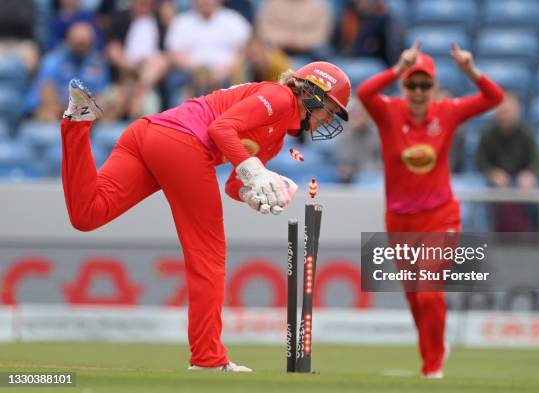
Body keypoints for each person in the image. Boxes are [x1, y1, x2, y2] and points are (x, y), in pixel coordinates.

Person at [59, 61, 351, 371]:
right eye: (330, 109)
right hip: (182, 143)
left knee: (88, 213)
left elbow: (234, 185)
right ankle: (208, 359)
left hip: (148, 134)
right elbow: (220, 128)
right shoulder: (278, 97)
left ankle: (77, 122)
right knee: (208, 257)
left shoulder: (276, 139)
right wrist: (254, 170)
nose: (328, 119)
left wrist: (259, 194)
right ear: (312, 95)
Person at [357, 40, 503, 378]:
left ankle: (432, 367)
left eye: (425, 84)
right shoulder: (389, 112)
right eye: (411, 83)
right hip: (399, 219)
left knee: (427, 291)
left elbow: (494, 99)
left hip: (440, 214)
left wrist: (470, 71)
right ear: (403, 85)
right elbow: (365, 93)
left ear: (434, 87)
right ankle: (435, 347)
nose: (418, 91)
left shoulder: (447, 112)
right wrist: (396, 68)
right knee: (414, 297)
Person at [476, 91, 539, 231]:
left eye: (509, 111)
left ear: (517, 112)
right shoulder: (487, 134)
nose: (505, 115)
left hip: (521, 180)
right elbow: (480, 162)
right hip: (496, 181)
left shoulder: (527, 133)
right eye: (502, 111)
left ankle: (531, 235)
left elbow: (536, 161)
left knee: (533, 192)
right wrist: (493, 173)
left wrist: (529, 174)